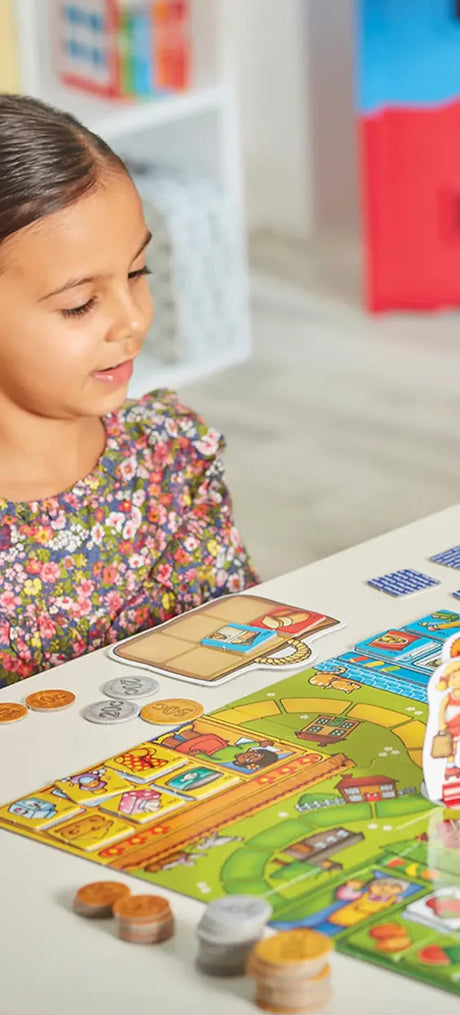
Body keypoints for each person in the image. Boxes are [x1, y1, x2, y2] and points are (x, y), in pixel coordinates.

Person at [0, 94, 256, 687]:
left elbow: (246, 653)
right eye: (79, 304)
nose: (133, 320)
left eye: (137, 274)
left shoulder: (171, 453)